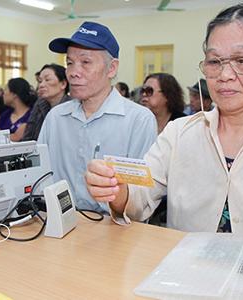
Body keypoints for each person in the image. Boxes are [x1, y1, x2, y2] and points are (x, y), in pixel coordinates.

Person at [85, 4, 243, 249]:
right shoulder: (179, 133)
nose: (225, 74)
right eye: (215, 61)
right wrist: (116, 190)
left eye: (242, 60)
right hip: (184, 273)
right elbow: (139, 198)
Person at [38, 21, 157, 213]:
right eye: (69, 63)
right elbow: (40, 178)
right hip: (60, 224)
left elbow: (141, 199)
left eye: (85, 62)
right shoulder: (56, 118)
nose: (73, 73)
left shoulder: (138, 120)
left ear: (111, 68)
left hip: (115, 230)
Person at [22, 63, 71, 141]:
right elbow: (28, 137)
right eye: (40, 81)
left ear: (63, 84)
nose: (41, 85)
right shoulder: (39, 104)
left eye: (47, 80)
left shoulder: (72, 106)